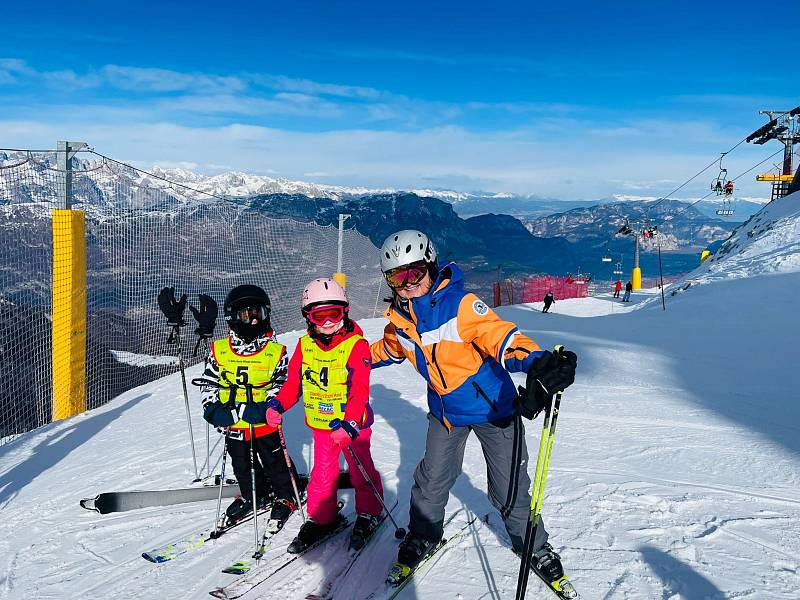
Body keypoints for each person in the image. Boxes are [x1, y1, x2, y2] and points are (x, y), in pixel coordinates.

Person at [370, 230, 577, 586]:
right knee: (430, 481)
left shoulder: (461, 306)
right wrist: (344, 359)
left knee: (508, 488)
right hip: (447, 415)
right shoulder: (400, 323)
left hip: (494, 411)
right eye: (396, 276)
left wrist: (539, 362)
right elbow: (382, 352)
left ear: (430, 267)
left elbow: (502, 337)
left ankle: (533, 545)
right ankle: (423, 535)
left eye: (414, 272)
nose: (406, 284)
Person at [266, 278, 384, 553]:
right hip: (322, 425)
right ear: (308, 316)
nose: (329, 321)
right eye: (321, 315)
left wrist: (351, 423)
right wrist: (277, 405)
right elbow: (293, 384)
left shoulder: (356, 345)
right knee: (322, 475)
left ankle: (370, 512)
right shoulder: (304, 346)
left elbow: (359, 390)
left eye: (335, 313)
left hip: (352, 428)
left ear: (345, 311)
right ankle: (322, 518)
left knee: (360, 471)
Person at [198, 285, 301, 533]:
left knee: (275, 461)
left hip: (264, 421)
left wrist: (268, 407)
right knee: (242, 464)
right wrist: (212, 408)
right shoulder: (220, 351)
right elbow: (209, 382)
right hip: (233, 423)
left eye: (258, 313)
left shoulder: (274, 352)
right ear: (233, 317)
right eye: (246, 314)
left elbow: (282, 385)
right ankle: (253, 495)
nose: (253, 319)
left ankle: (287, 496)